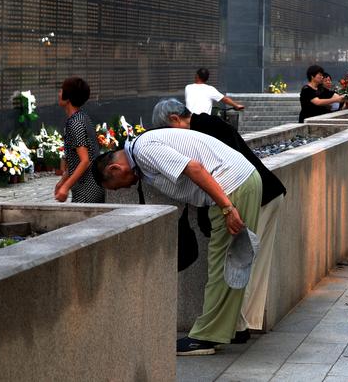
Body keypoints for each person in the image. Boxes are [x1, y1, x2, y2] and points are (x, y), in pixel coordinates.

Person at [92, 127, 262, 356]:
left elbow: (194, 168)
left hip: (232, 189)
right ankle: (234, 328)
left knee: (222, 267)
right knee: (231, 263)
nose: (128, 187)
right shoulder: (144, 147)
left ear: (115, 168)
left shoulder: (144, 150)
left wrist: (228, 208)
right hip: (240, 183)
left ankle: (206, 338)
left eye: (120, 184)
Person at [152, 98, 287, 340]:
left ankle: (238, 326)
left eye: (168, 132)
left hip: (261, 196)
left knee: (243, 263)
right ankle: (239, 325)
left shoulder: (207, 127)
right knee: (245, 263)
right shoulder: (208, 124)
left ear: (175, 119)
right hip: (266, 192)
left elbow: (221, 176)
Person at [54, 77, 105, 203]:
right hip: (87, 186)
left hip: (88, 189)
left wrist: (65, 187)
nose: (59, 94)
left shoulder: (76, 123)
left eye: (61, 91)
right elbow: (75, 161)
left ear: (68, 97)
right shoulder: (80, 118)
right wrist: (63, 181)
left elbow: (85, 160)